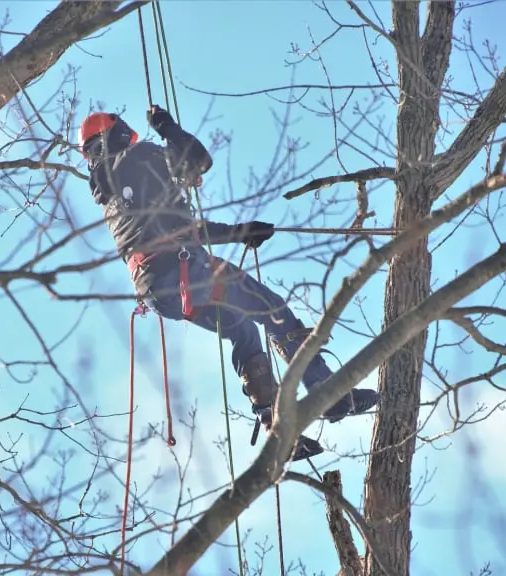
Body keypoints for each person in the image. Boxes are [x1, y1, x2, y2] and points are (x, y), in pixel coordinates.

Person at [80, 105, 379, 461]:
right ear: (117, 133)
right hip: (183, 270)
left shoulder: (111, 192)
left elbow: (176, 231)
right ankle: (326, 392)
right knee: (270, 307)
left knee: (242, 328)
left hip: (163, 290)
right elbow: (198, 161)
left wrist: (239, 233)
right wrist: (165, 126)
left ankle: (276, 427)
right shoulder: (141, 157)